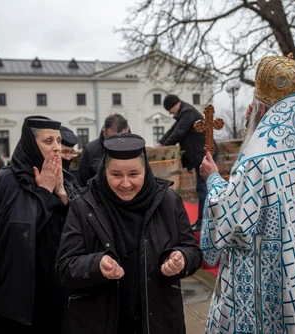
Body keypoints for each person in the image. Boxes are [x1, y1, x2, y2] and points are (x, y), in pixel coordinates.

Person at [199, 54, 295, 333]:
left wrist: (214, 179)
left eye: (253, 106)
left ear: (262, 111)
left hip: (263, 279)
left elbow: (232, 223)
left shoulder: (258, 159)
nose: (248, 112)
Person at [56, 133, 202, 334]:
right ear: (104, 171)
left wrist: (181, 258)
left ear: (146, 170)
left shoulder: (168, 201)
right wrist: (97, 264)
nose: (125, 184)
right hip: (100, 321)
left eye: (134, 174)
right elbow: (64, 268)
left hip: (158, 320)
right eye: (116, 175)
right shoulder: (84, 205)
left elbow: (192, 252)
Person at [0, 116, 77, 333]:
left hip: (58, 289)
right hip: (23, 295)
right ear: (31, 144)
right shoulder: (9, 181)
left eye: (58, 141)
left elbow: (82, 224)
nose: (57, 148)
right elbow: (18, 235)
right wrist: (45, 193)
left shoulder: (66, 179)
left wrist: (65, 198)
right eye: (48, 141)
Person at [157, 94, 217, 231]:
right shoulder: (185, 112)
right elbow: (173, 130)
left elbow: (179, 132)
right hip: (200, 153)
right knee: (202, 188)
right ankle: (205, 220)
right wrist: (160, 143)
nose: (169, 112)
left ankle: (203, 222)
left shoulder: (187, 112)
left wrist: (164, 147)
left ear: (175, 105)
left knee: (203, 188)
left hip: (204, 153)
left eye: (169, 109)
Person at [77, 113, 130, 186]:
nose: (117, 143)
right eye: (113, 139)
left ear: (127, 130)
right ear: (104, 133)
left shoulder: (137, 149)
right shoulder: (90, 150)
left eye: (122, 138)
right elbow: (81, 183)